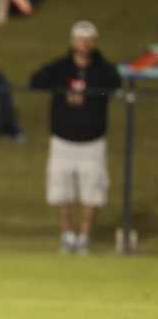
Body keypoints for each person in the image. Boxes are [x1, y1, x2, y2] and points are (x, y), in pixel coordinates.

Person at [30, 20, 121, 254]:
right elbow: (35, 81)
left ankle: (84, 236)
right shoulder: (60, 68)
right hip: (63, 139)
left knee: (92, 191)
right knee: (63, 191)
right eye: (80, 39)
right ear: (73, 41)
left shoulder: (104, 70)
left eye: (88, 40)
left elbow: (115, 86)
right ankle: (67, 234)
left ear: (94, 42)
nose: (83, 44)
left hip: (93, 141)